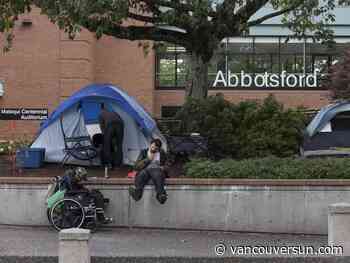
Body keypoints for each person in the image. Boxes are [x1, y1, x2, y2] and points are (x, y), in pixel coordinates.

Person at [129, 138, 168, 204]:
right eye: (152, 147)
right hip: (145, 170)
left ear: (158, 149)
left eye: (156, 148)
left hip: (157, 170)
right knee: (141, 174)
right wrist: (148, 159)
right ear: (150, 145)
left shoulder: (161, 153)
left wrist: (163, 167)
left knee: (157, 174)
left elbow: (167, 165)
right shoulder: (144, 152)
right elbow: (136, 167)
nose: (153, 149)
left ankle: (160, 195)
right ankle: (137, 194)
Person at [98, 103, 124, 169]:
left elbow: (102, 127)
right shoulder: (113, 112)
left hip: (110, 124)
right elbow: (121, 121)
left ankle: (108, 163)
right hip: (120, 124)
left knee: (107, 145)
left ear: (101, 109)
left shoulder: (101, 114)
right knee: (119, 145)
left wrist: (105, 137)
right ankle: (118, 164)